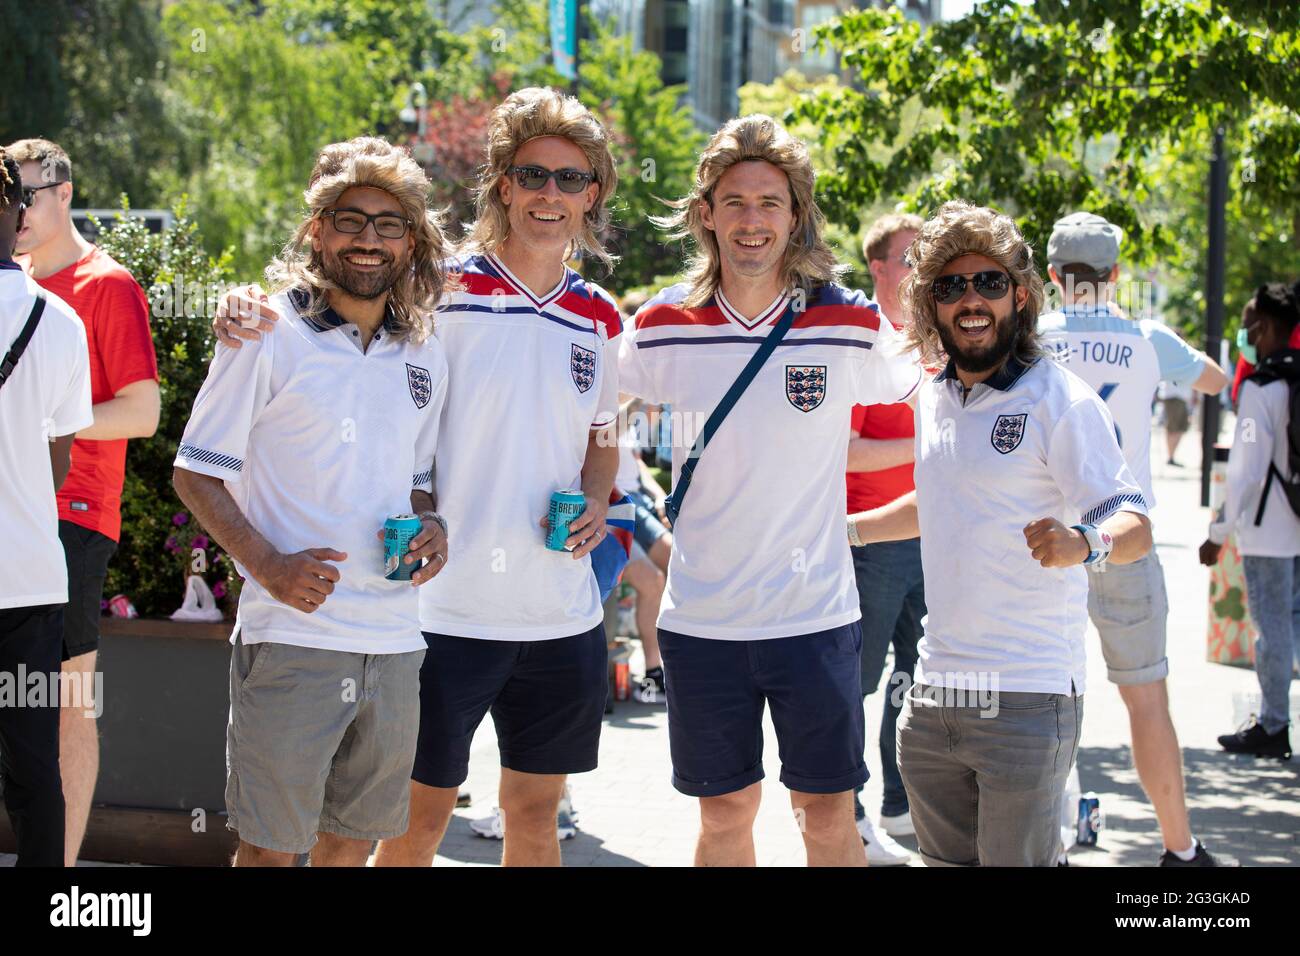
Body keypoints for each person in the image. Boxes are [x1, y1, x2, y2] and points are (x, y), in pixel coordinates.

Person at [212, 88, 623, 867]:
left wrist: (598, 496)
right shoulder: (439, 288)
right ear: (503, 183)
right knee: (414, 826)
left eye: (572, 180)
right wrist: (239, 305)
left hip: (560, 614)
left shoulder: (600, 314)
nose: (551, 195)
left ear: (592, 194)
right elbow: (330, 300)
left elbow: (603, 435)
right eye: (534, 175)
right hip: (440, 613)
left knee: (535, 816)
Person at [619, 115, 922, 867]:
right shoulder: (660, 324)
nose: (752, 221)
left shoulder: (847, 319)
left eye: (770, 203)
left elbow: (931, 393)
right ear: (705, 215)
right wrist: (599, 495)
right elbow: (588, 413)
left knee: (825, 818)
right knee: (725, 815)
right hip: (704, 620)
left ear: (796, 217)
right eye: (735, 202)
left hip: (814, 616)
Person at [173, 137, 452, 866]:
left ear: (413, 241)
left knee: (351, 846)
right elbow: (195, 471)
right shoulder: (264, 332)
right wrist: (268, 565)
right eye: (349, 219)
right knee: (269, 853)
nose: (369, 239)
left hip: (395, 642)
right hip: (294, 640)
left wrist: (432, 525)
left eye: (389, 224)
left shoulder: (424, 349)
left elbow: (417, 477)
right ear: (316, 231)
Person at [851, 200, 1154, 867]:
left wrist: (1083, 543)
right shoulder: (933, 392)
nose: (970, 299)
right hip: (932, 703)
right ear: (930, 302)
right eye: (951, 285)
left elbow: (1133, 527)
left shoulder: (1059, 400)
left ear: (1021, 294)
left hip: (1028, 697)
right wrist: (849, 530)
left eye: (988, 282)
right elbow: (943, 501)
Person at [1038, 211, 1230, 866]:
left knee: (1045, 697)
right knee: (1147, 701)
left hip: (1045, 542)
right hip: (1125, 535)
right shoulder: (1147, 337)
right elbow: (1215, 380)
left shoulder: (1028, 338)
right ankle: (1180, 847)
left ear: (1055, 277)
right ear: (1115, 274)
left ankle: (1051, 845)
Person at [8, 138, 160, 865]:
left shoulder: (107, 285)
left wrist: (44, 418)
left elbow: (144, 411)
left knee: (65, 706)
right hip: (18, 520)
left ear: (64, 193)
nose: (19, 211)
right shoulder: (17, 283)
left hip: (69, 520)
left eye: (29, 195)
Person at [0, 148, 92, 866]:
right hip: (29, 581)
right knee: (33, 769)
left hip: (31, 582)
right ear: (18, 215)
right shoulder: (59, 320)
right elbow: (60, 459)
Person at [846, 212, 923, 866]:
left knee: (921, 681)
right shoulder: (862, 339)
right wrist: (932, 443)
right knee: (855, 685)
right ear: (878, 266)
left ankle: (901, 802)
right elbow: (842, 453)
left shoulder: (932, 337)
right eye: (910, 258)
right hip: (870, 544)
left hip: (934, 537)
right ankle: (847, 816)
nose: (922, 269)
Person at [1201, 282, 1300, 761]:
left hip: (1271, 527)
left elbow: (1245, 474)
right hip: (1291, 518)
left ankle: (1274, 725)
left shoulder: (1260, 389)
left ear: (1262, 325)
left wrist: (1217, 534)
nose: (1244, 330)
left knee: (1273, 627)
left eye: (1248, 322)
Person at [1159, 379, 1194, 466]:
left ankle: (1171, 456)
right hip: (1175, 396)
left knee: (1180, 428)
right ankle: (1170, 457)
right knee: (1173, 429)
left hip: (1181, 398)